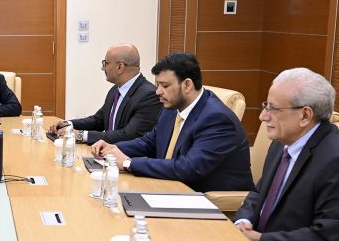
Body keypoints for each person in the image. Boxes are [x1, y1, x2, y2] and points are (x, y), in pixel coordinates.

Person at [234, 68, 339, 241]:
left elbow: (329, 237)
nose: (263, 116)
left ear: (305, 115)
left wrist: (260, 240)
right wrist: (243, 221)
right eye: (265, 106)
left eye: (273, 109)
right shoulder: (281, 143)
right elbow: (260, 192)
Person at [92, 52, 252, 192]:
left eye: (165, 86)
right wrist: (113, 148)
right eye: (158, 85)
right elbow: (149, 142)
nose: (158, 92)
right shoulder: (171, 108)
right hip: (169, 187)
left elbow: (189, 168)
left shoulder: (217, 118)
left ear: (187, 85)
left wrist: (128, 163)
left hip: (204, 198)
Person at [47, 44, 161, 144]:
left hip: (127, 159)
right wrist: (68, 124)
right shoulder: (115, 90)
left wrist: (81, 135)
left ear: (120, 67)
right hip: (107, 154)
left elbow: (128, 135)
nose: (103, 68)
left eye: (105, 63)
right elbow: (98, 120)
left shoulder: (149, 95)